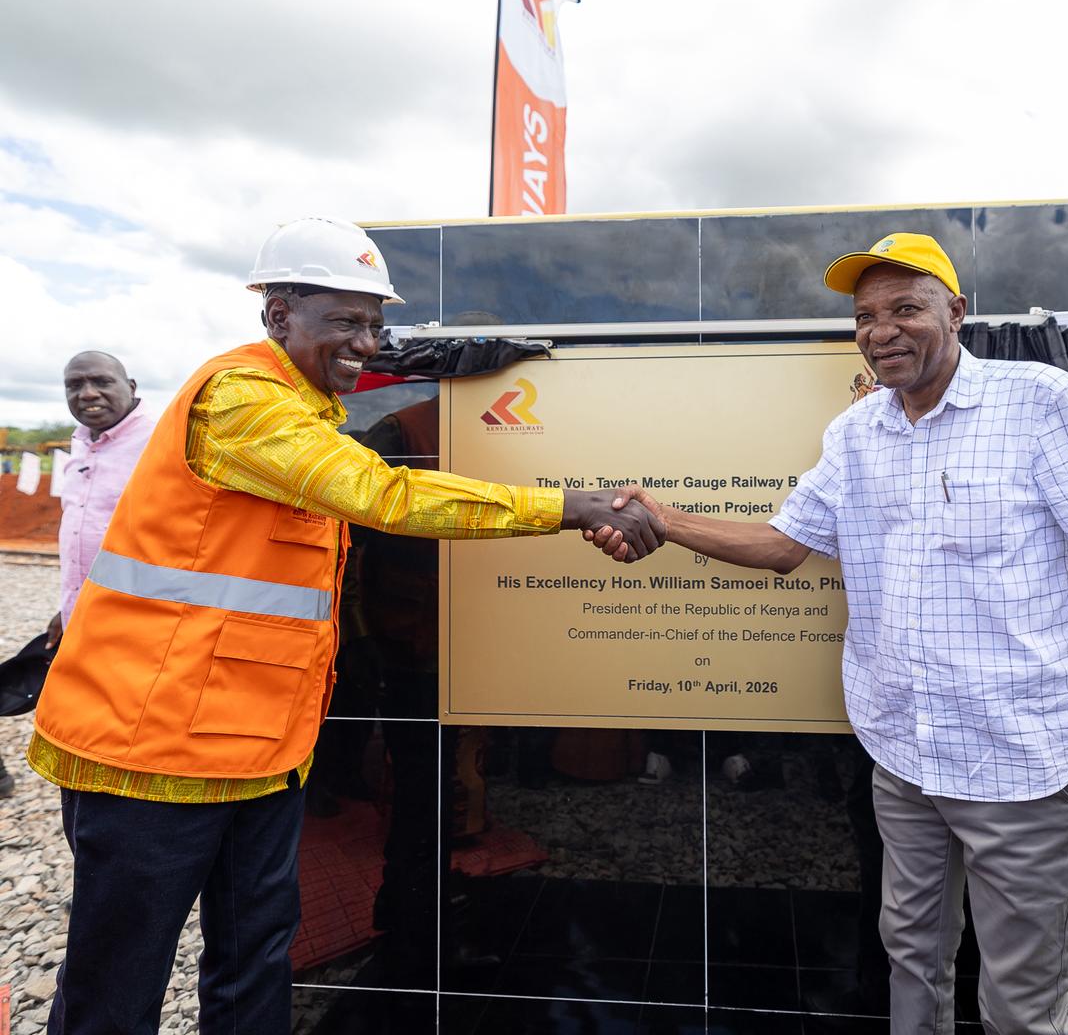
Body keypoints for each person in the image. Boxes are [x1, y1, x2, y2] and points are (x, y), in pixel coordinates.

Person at [27, 216, 663, 1035]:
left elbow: (365, 374)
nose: (365, 342)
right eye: (344, 321)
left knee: (256, 958)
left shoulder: (302, 398)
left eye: (374, 323)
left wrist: (450, 359)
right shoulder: (241, 398)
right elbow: (382, 493)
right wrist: (569, 507)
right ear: (277, 314)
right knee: (117, 982)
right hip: (150, 744)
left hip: (258, 745)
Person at [594, 232, 1068, 1035]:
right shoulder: (858, 432)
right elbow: (783, 545)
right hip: (903, 761)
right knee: (911, 957)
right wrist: (662, 520)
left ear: (957, 312)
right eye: (865, 316)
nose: (881, 330)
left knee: (1023, 1003)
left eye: (906, 308)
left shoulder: (1041, 404)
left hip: (1020, 766)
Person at [48, 352, 156, 649]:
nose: (87, 394)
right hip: (82, 617)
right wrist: (67, 609)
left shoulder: (163, 442)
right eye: (74, 385)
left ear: (131, 387)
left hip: (137, 624)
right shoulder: (82, 444)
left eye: (102, 382)